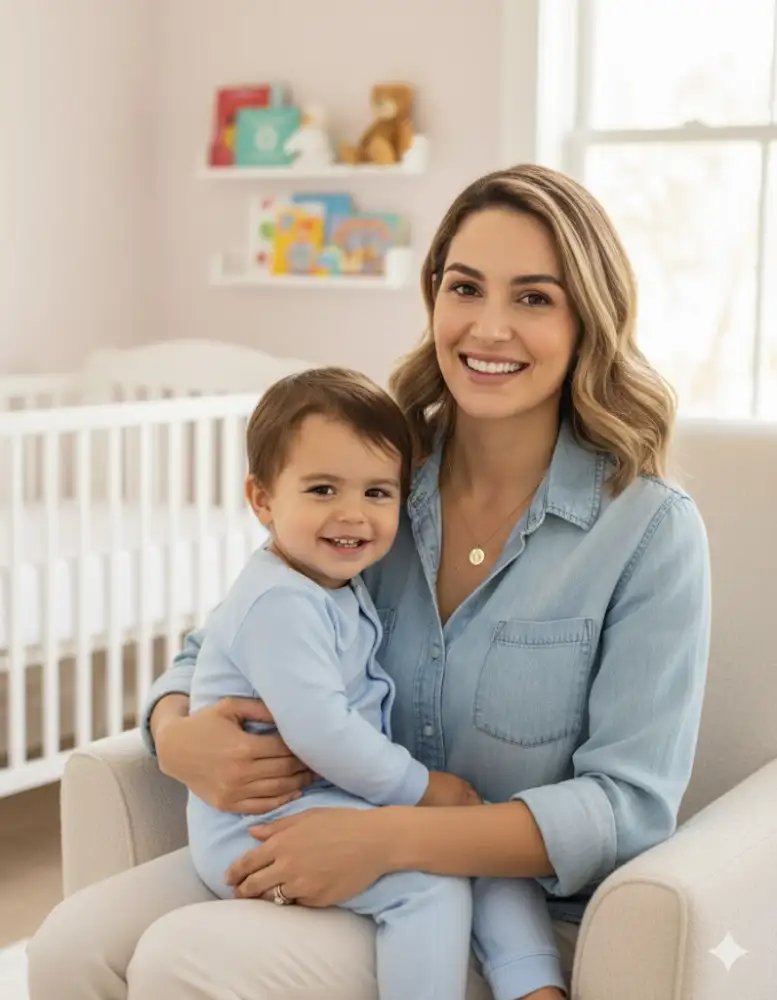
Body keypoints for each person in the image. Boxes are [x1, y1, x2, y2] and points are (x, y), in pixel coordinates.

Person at [28, 163, 712, 1000]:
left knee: (187, 959)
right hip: (321, 834)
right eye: (465, 288)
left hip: (504, 911)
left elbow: (626, 806)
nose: (488, 327)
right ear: (433, 298)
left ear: (586, 321)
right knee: (67, 947)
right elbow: (225, 639)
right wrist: (175, 732)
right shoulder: (372, 481)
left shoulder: (645, 530)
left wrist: (393, 841)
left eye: (533, 298)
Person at [187, 365, 567, 1000]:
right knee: (433, 885)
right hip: (264, 830)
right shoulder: (282, 603)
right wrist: (421, 788)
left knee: (481, 846)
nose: (352, 515)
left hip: (338, 801)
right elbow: (322, 731)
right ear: (262, 500)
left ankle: (535, 987)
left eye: (377, 493)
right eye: (323, 490)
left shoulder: (329, 583)